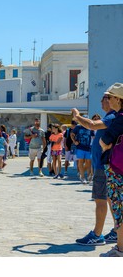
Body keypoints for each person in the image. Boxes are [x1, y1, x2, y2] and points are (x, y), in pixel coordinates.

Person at [72, 93, 116, 246]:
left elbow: (91, 124)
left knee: (100, 200)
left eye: (104, 98)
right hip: (104, 165)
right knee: (110, 200)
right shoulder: (112, 117)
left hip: (102, 166)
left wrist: (77, 117)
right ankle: (117, 231)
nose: (101, 101)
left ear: (113, 100)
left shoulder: (112, 117)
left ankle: (97, 235)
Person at [99, 83, 123, 256]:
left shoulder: (119, 118)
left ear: (118, 99)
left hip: (116, 168)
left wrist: (107, 146)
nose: (107, 100)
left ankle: (120, 248)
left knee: (118, 207)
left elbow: (104, 141)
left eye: (110, 97)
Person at [71, 119, 93, 184]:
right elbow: (72, 134)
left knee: (88, 162)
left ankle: (86, 175)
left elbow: (93, 135)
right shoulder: (78, 127)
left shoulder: (90, 126)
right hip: (80, 147)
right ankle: (83, 177)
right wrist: (74, 141)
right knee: (81, 161)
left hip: (88, 147)